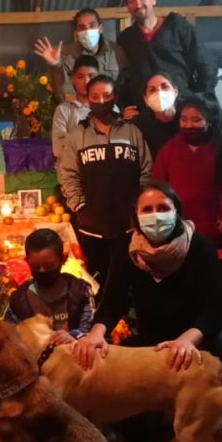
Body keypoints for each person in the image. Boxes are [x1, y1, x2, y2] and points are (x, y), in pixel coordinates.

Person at [71, 182, 222, 442]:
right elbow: (113, 301)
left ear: (176, 211)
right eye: (147, 209)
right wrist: (96, 333)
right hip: (151, 342)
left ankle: (221, 417)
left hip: (197, 335)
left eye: (163, 207)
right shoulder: (126, 249)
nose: (155, 215)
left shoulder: (199, 247)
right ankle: (166, 409)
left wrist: (187, 340)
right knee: (139, 428)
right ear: (136, 216)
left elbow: (215, 309)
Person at [58, 74, 152, 287]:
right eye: (95, 96)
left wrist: (140, 206)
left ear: (115, 96)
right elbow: (68, 174)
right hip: (92, 228)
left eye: (107, 95)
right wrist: (80, 206)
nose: (101, 101)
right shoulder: (77, 135)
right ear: (88, 98)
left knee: (130, 283)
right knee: (96, 284)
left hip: (129, 226)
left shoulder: (132, 131)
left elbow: (146, 169)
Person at [153, 94, 222, 251]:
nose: (189, 125)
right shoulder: (168, 150)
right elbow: (156, 189)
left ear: (210, 121)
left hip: (218, 238)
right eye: (183, 120)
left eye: (196, 120)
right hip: (179, 237)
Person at [117, 0, 217, 108]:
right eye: (132, 1)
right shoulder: (126, 39)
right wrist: (126, 107)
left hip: (182, 107)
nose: (138, 4)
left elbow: (205, 64)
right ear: (128, 7)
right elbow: (123, 79)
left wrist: (201, 100)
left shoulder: (176, 26)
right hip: (147, 111)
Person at [6, 229, 95, 344]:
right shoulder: (19, 300)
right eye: (35, 267)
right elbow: (12, 338)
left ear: (63, 260)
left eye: (49, 266)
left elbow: (91, 328)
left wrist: (74, 336)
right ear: (26, 262)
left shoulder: (81, 291)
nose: (42, 271)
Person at [33, 7, 127, 99]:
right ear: (76, 33)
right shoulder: (67, 55)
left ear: (101, 28)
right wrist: (55, 65)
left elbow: (124, 86)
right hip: (80, 108)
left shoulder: (116, 52)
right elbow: (64, 93)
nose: (87, 31)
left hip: (111, 107)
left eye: (92, 26)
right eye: (82, 28)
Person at [50, 54, 98, 158]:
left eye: (91, 76)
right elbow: (58, 149)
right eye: (80, 77)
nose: (86, 81)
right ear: (73, 79)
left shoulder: (111, 109)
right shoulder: (63, 110)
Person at [127, 72, 181, 157]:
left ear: (175, 92)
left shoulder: (189, 115)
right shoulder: (142, 122)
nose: (159, 92)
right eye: (152, 90)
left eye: (165, 87)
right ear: (145, 99)